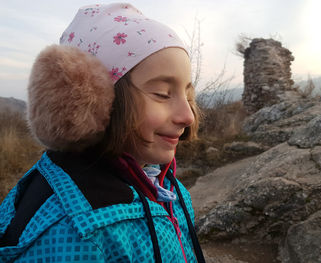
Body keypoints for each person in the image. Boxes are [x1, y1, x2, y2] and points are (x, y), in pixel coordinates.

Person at [0, 3, 205, 263]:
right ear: (96, 101)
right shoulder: (77, 235)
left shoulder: (161, 181)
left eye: (188, 94)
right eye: (162, 94)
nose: (187, 116)